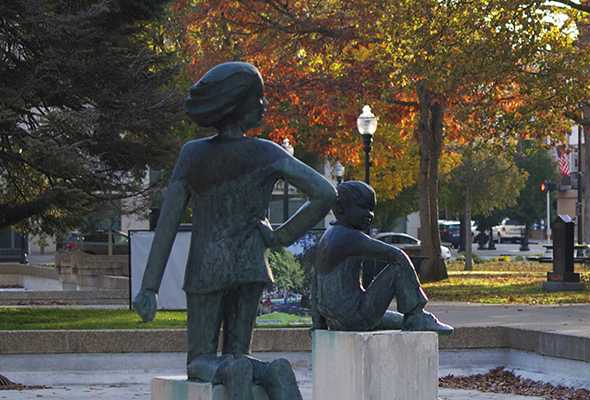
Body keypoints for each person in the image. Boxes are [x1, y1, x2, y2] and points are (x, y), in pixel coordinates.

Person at [133, 62, 335, 400]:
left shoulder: (192, 154)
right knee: (240, 352)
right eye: (260, 98)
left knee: (200, 359)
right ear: (239, 104)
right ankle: (269, 372)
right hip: (252, 267)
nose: (265, 105)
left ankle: (229, 370)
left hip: (206, 270)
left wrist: (149, 287)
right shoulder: (267, 152)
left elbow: (167, 223)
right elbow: (326, 193)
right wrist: (280, 236)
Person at [311, 181, 453, 333]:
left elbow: (315, 282)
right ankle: (416, 314)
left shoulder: (328, 236)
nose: (369, 215)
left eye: (371, 209)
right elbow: (398, 256)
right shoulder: (351, 238)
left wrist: (318, 324)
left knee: (400, 320)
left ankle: (413, 318)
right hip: (355, 318)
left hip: (336, 320)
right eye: (362, 207)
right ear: (340, 207)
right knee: (397, 265)